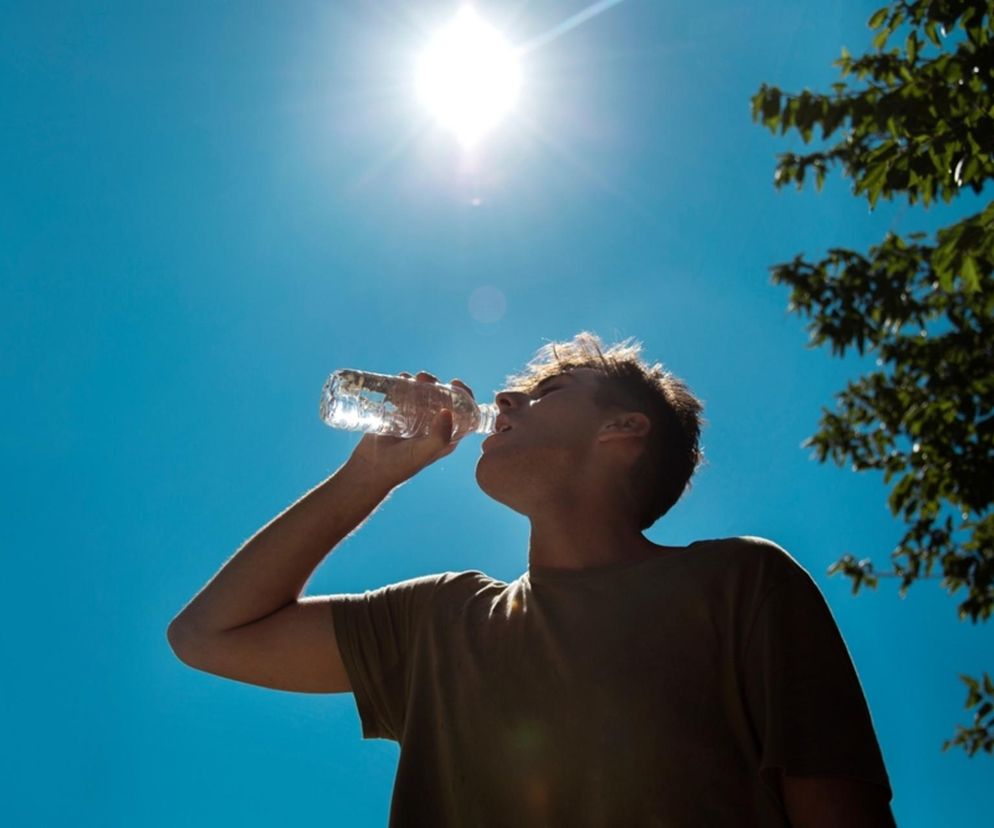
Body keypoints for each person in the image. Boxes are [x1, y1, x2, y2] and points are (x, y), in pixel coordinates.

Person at [167, 331, 895, 827]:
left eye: (548, 390)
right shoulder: (440, 620)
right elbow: (208, 636)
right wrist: (366, 478)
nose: (505, 402)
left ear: (624, 431)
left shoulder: (742, 583)